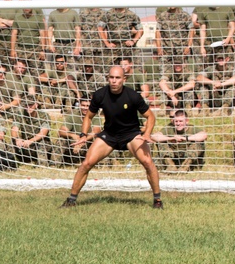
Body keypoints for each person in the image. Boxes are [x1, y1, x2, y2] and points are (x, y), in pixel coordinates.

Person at [61, 65, 163, 209]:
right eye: (112, 78)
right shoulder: (100, 95)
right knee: (86, 164)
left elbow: (150, 116)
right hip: (109, 135)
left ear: (124, 79)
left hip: (131, 135)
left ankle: (157, 200)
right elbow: (89, 117)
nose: (114, 81)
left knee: (147, 162)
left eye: (117, 78)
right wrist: (83, 135)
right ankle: (71, 200)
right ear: (108, 78)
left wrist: (147, 134)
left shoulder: (133, 95)